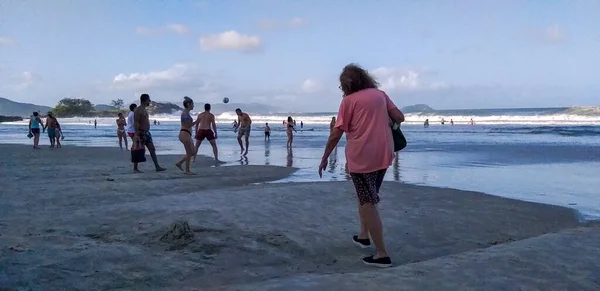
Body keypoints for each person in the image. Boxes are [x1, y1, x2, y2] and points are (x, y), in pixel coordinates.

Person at [318, 63, 405, 268]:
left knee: (368, 202)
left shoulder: (348, 101)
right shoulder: (380, 94)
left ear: (346, 85)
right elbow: (399, 117)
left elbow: (336, 134)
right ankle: (363, 235)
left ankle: (382, 253)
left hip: (361, 157)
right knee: (366, 195)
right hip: (384, 154)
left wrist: (324, 157)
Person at [133, 93, 166, 173]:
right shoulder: (138, 110)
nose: (149, 102)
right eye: (149, 100)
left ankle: (157, 166)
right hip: (140, 133)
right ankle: (135, 168)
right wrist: (137, 134)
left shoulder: (144, 109)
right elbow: (136, 123)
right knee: (138, 150)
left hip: (147, 132)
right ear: (145, 100)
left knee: (152, 149)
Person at [175, 97, 197, 174]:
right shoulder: (184, 114)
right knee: (189, 153)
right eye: (192, 104)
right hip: (184, 134)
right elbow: (188, 125)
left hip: (187, 134)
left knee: (193, 152)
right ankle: (187, 170)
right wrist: (198, 121)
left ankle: (179, 163)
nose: (193, 106)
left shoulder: (187, 113)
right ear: (188, 104)